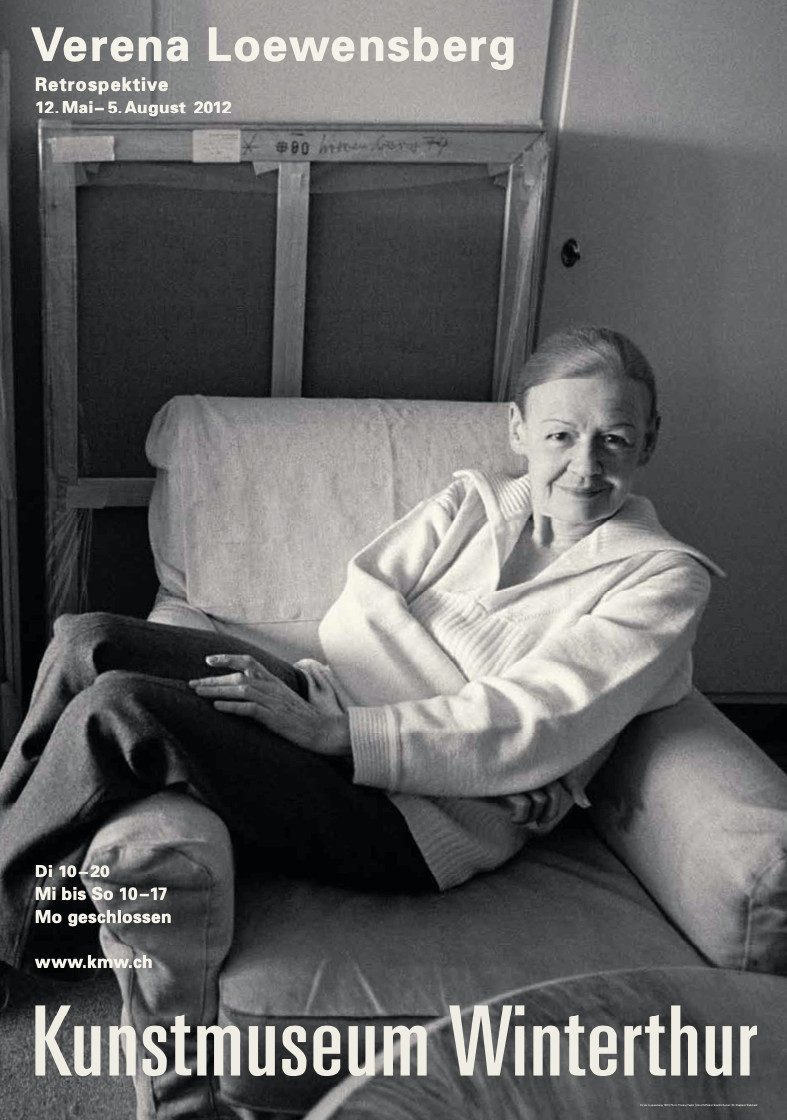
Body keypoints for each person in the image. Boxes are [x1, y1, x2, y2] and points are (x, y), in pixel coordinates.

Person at [0, 326, 720, 1105]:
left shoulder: (662, 579)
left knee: (122, 710)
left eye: (614, 439)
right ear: (518, 430)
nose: (585, 464)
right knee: (87, 640)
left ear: (648, 441)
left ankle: (6, 934)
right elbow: (357, 612)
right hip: (327, 711)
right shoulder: (470, 501)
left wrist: (357, 736)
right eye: (560, 435)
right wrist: (448, 734)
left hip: (414, 821)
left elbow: (540, 714)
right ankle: (23, 887)